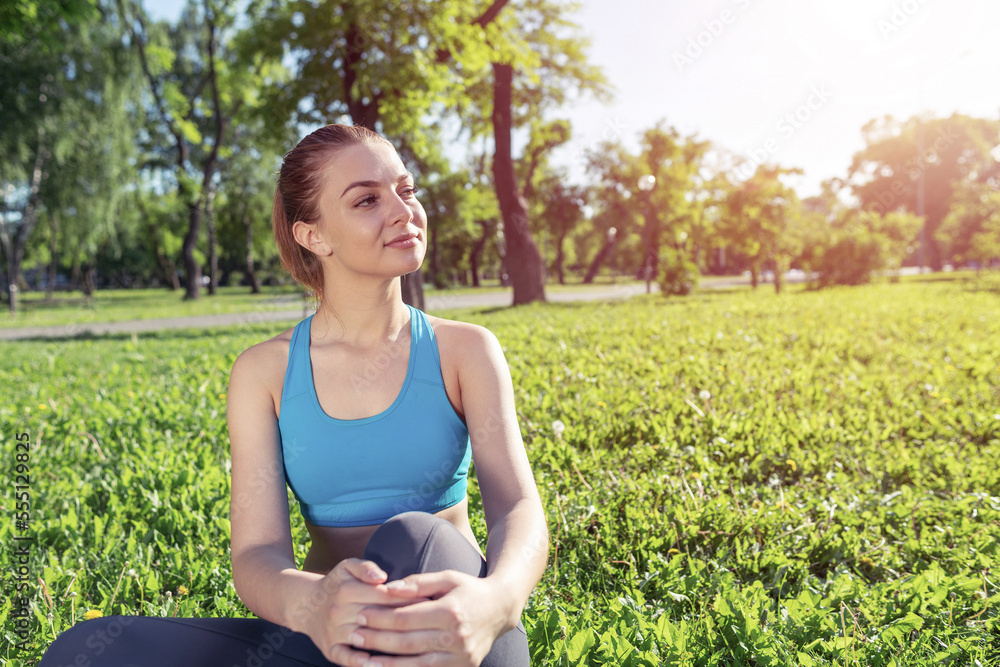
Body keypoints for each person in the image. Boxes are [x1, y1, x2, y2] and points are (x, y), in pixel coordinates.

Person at [37, 124, 548, 667]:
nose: (403, 211)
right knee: (86, 652)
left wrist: (496, 602)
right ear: (314, 237)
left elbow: (517, 506)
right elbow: (258, 554)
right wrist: (315, 607)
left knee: (413, 536)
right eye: (368, 200)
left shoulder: (465, 349)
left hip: (458, 632)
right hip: (329, 642)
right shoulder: (265, 372)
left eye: (407, 189)